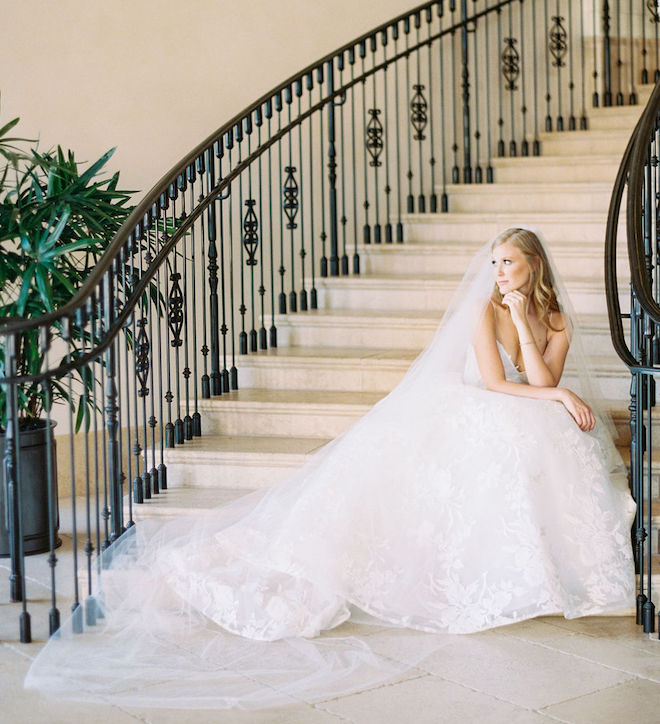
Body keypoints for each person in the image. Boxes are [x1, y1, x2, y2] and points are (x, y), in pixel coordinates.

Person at [25, 228, 636, 710]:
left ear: (534, 266)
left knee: (547, 430)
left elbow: (543, 378)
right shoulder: (481, 309)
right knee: (524, 427)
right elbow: (504, 385)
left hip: (519, 404)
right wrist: (552, 392)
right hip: (480, 405)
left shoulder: (555, 318)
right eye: (496, 262)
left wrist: (531, 330)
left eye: (510, 263)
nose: (499, 272)